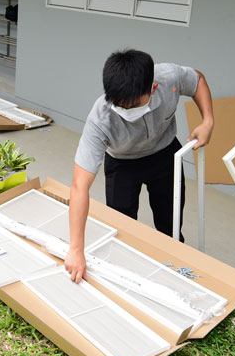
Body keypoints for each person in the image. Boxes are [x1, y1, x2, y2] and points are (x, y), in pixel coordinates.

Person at [65, 49, 215, 283]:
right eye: (119, 106)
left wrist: (207, 121)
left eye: (133, 105)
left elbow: (198, 80)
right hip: (122, 164)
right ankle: (128, 277)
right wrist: (76, 249)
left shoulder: (169, 78)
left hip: (165, 154)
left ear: (153, 89)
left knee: (170, 223)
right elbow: (79, 187)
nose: (125, 111)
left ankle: (174, 275)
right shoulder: (100, 117)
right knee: (122, 227)